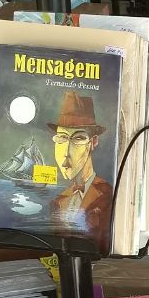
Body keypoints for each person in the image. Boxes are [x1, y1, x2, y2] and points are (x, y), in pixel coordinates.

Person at [46, 91, 113, 245]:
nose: (66, 153)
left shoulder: (109, 196)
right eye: (62, 138)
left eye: (78, 138)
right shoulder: (58, 202)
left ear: (93, 142)